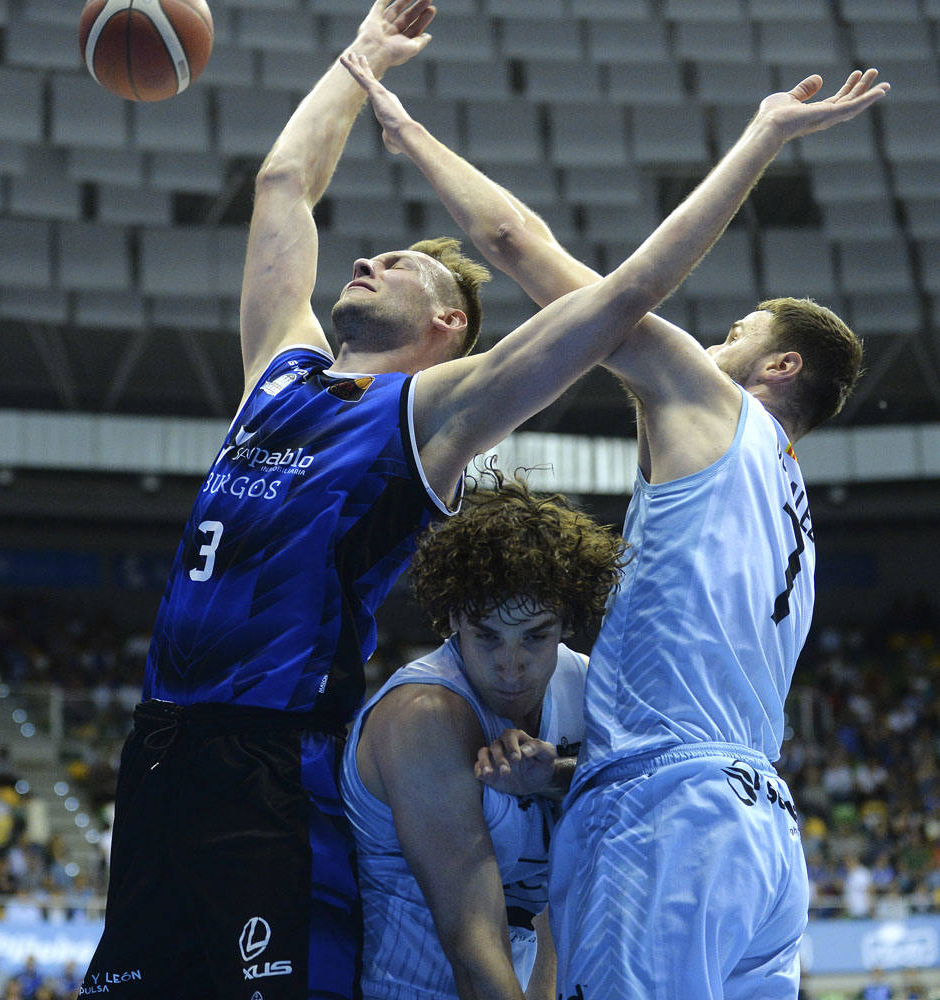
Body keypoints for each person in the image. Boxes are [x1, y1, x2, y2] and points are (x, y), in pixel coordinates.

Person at [82, 0, 889, 992]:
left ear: (448, 323)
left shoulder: (433, 415)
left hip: (274, 761)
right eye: (369, 255)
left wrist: (758, 137)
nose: (368, 258)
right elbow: (285, 184)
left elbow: (614, 294)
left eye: (402, 265)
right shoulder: (276, 379)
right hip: (159, 746)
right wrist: (360, 56)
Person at [340, 49, 890, 1000]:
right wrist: (553, 774)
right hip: (765, 834)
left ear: (782, 367)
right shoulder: (792, 513)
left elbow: (519, 245)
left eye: (742, 332)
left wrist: (407, 134)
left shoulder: (711, 404)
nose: (717, 339)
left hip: (666, 819)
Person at [341, 468, 625, 1000]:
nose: (510, 667)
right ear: (452, 619)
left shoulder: (589, 687)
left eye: (534, 636)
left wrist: (555, 776)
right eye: (487, 636)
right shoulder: (422, 716)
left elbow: (578, 888)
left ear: (568, 621)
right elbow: (472, 947)